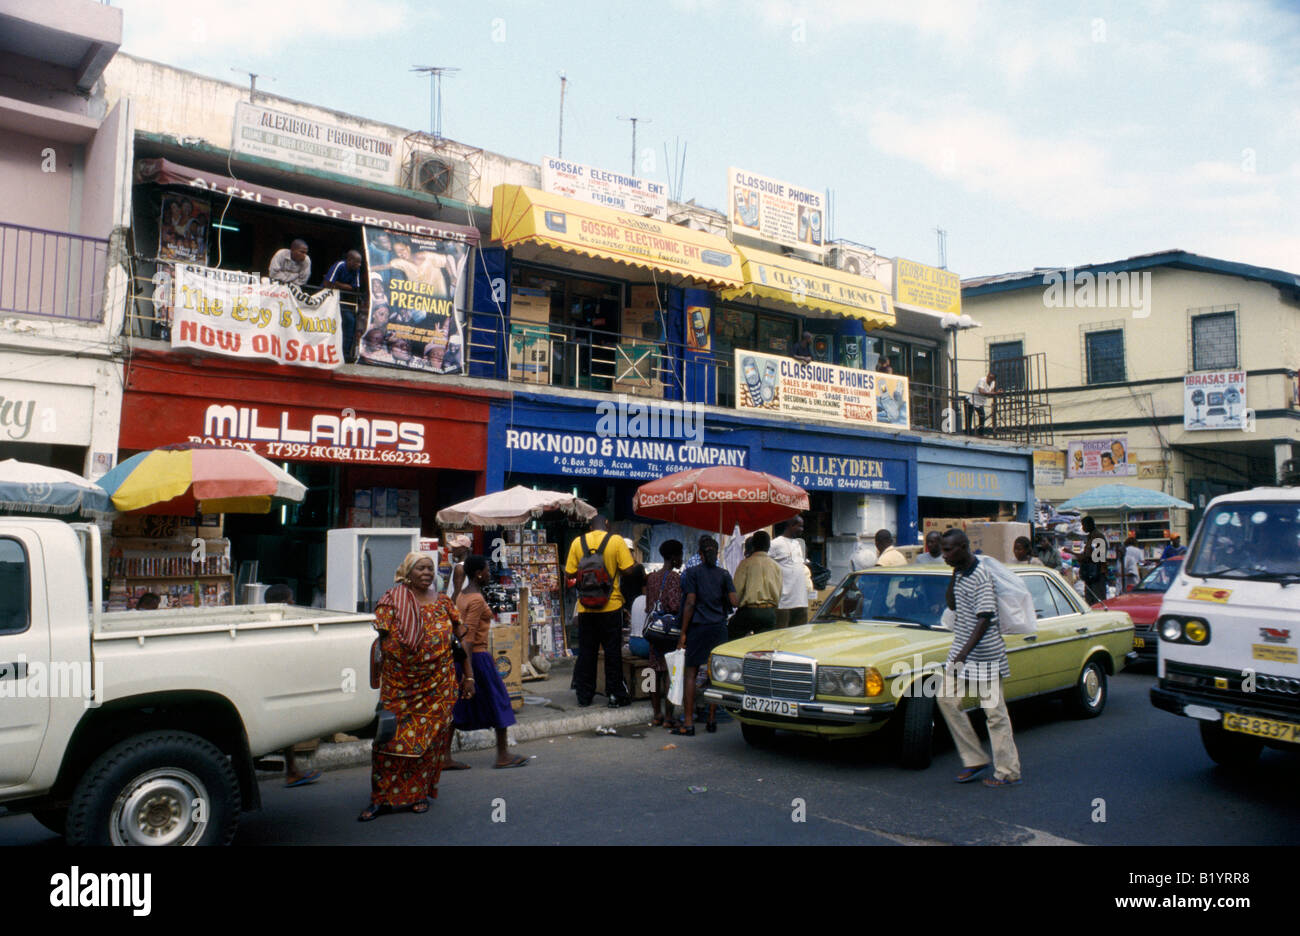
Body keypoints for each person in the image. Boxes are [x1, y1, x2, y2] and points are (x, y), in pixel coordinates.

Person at [359, 553, 470, 821]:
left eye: (430, 569)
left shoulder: (444, 602)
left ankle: (418, 793)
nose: (427, 573)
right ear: (408, 573)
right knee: (388, 742)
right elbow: (377, 639)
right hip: (400, 686)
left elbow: (462, 638)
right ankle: (381, 799)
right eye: (420, 568)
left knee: (428, 742)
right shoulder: (392, 600)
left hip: (437, 686)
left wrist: (469, 676)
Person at [936, 528, 1022, 787]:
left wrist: (964, 653)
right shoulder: (961, 572)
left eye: (949, 550)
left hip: (985, 655)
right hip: (962, 651)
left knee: (995, 714)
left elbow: (985, 618)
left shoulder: (982, 576)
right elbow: (952, 604)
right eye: (943, 549)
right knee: (946, 699)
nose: (944, 554)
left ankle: (1008, 771)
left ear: (964, 547)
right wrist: (953, 573)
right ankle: (974, 759)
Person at [452, 556, 527, 769]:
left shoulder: (462, 596)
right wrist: (470, 674)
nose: (489, 574)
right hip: (477, 656)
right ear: (478, 573)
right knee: (499, 701)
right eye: (486, 571)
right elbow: (468, 636)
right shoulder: (476, 599)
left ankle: (443, 757)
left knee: (457, 706)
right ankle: (503, 755)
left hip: (465, 657)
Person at [565, 515, 636, 708]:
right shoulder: (616, 540)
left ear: (589, 526)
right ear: (607, 524)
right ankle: (614, 694)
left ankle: (584, 696)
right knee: (612, 652)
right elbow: (629, 570)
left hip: (585, 607)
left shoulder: (578, 542)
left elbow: (570, 573)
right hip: (610, 606)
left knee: (587, 652)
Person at [672, 536, 738, 736]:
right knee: (713, 675)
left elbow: (690, 603)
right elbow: (735, 602)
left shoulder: (693, 573)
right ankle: (711, 720)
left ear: (700, 554)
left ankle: (689, 723)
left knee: (691, 673)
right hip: (719, 628)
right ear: (716, 554)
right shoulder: (724, 574)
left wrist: (682, 633)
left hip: (698, 628)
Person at [643, 540, 683, 729]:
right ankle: (668, 717)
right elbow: (674, 606)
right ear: (674, 557)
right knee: (668, 672)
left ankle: (655, 714)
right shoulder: (675, 578)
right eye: (680, 555)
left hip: (653, 630)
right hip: (668, 631)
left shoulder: (651, 577)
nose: (681, 559)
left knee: (652, 670)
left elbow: (648, 606)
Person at [730, 530, 782, 640]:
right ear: (768, 546)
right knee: (765, 646)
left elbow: (736, 591)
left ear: (753, 545)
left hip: (749, 611)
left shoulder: (745, 563)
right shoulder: (776, 566)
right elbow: (779, 592)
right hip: (769, 612)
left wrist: (735, 603)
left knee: (732, 637)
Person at [322, 250, 364, 361]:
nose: (359, 265)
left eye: (360, 263)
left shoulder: (357, 270)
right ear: (349, 260)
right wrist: (344, 286)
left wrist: (337, 284)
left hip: (342, 302)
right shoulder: (339, 265)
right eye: (357, 262)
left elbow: (355, 288)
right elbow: (327, 284)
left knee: (350, 321)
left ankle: (345, 354)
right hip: (328, 299)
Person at [770, 516, 809, 628]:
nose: (802, 529)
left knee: (798, 636)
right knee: (781, 636)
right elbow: (768, 565)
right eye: (800, 526)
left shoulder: (798, 544)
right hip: (783, 602)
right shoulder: (775, 544)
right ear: (791, 525)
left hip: (801, 601)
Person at [1078, 516, 1111, 604]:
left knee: (1098, 600)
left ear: (1089, 525)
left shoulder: (1097, 536)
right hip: (1090, 574)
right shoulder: (1090, 537)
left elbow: (1098, 556)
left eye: (1084, 525)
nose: (1083, 528)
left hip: (1097, 573)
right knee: (1090, 599)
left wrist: (1084, 557)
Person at [444, 533, 472, 601]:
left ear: (464, 549)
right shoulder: (466, 564)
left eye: (456, 547)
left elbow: (457, 592)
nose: (452, 549)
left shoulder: (459, 567)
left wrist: (450, 607)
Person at [971, 370, 998, 435]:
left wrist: (996, 392)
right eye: (989, 377)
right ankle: (968, 433)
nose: (989, 379)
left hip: (980, 402)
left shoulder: (993, 383)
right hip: (972, 400)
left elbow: (990, 394)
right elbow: (981, 391)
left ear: (993, 379)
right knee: (969, 417)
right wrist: (995, 393)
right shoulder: (982, 380)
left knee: (982, 417)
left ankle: (981, 433)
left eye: (991, 378)